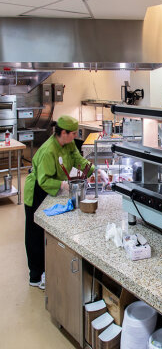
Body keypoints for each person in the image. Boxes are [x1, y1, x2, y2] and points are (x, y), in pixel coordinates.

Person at [24, 115, 108, 289]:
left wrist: (95, 171)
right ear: (63, 132)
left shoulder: (69, 144)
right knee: (35, 234)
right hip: (37, 191)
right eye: (73, 133)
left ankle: (48, 269)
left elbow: (79, 160)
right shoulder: (49, 150)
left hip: (52, 190)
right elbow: (44, 181)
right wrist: (63, 185)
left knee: (48, 232)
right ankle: (35, 275)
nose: (75, 136)